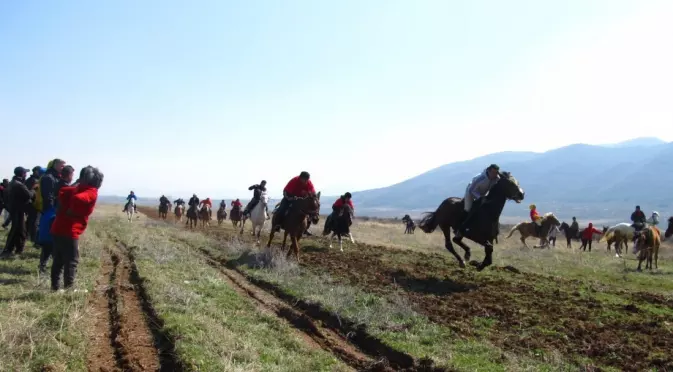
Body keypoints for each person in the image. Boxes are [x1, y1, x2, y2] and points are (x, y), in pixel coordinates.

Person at [50, 166, 103, 291]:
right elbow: (78, 198)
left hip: (58, 228)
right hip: (69, 230)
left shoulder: (78, 188)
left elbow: (63, 190)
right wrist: (72, 210)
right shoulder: (91, 191)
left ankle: (55, 288)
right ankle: (69, 289)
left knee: (58, 260)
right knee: (72, 260)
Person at [39, 165, 75, 273]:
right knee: (54, 244)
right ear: (69, 175)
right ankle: (53, 268)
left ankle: (44, 266)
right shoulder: (64, 186)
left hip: (51, 214)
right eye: (72, 174)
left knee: (49, 244)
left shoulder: (57, 183)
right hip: (56, 216)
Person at [456, 164, 500, 237]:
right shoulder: (480, 178)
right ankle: (459, 229)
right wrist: (480, 198)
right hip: (471, 193)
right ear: (488, 171)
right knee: (468, 209)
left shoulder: (496, 178)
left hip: (482, 194)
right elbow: (471, 190)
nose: (494, 174)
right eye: (493, 172)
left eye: (496, 173)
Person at [1, 167, 36, 257]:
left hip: (15, 209)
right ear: (22, 174)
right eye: (25, 173)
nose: (26, 174)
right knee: (16, 229)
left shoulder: (12, 183)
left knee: (21, 230)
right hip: (18, 209)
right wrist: (34, 190)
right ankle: (7, 250)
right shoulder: (19, 184)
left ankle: (18, 249)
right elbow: (28, 195)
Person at [24, 166, 43, 245]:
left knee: (30, 221)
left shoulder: (31, 179)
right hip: (33, 203)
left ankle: (27, 235)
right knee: (34, 221)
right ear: (36, 171)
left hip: (31, 203)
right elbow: (31, 192)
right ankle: (33, 238)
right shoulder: (34, 180)